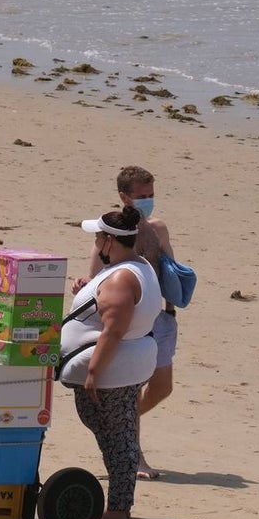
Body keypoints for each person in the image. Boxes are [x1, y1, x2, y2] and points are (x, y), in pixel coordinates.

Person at [60, 206, 162, 519]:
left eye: (97, 238)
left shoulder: (121, 278)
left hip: (111, 371)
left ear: (109, 242)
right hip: (125, 367)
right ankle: (120, 506)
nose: (95, 243)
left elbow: (114, 329)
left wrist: (93, 372)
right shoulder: (134, 266)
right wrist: (86, 289)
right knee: (119, 435)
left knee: (117, 438)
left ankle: (118, 510)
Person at [72, 166, 175, 480]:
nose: (147, 201)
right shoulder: (110, 234)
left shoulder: (158, 229)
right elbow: (96, 280)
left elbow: (169, 270)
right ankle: (135, 455)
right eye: (141, 196)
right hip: (130, 320)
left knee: (162, 387)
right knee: (132, 388)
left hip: (160, 317)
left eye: (151, 195)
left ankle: (120, 426)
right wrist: (82, 287)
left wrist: (172, 309)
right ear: (124, 197)